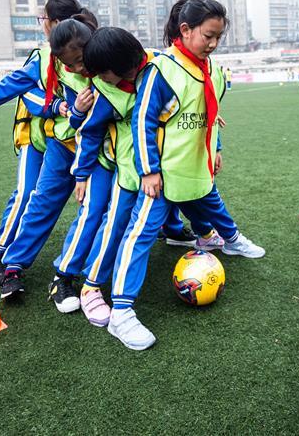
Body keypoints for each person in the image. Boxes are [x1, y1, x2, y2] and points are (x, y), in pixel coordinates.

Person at [108, 0, 266, 351]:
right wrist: (149, 171)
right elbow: (142, 120)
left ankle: (232, 241)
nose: (212, 43)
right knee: (141, 236)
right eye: (208, 35)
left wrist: (217, 147)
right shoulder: (161, 69)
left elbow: (210, 112)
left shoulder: (209, 67)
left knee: (213, 206)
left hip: (197, 166)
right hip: (164, 175)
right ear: (185, 30)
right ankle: (121, 312)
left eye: (218, 37)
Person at [65, 27, 216, 325]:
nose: (101, 78)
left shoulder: (156, 66)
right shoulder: (103, 92)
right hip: (131, 173)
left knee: (153, 223)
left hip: (166, 168)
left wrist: (216, 141)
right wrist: (81, 174)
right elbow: (89, 132)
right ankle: (91, 287)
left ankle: (206, 235)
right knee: (115, 227)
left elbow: (192, 108)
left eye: (105, 73)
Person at [0, 0, 95, 286]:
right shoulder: (43, 59)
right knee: (31, 195)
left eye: (44, 20)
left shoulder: (94, 50)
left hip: (87, 143)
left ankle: (164, 231)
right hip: (47, 139)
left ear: (58, 23)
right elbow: (18, 89)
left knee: (102, 204)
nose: (42, 25)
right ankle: (6, 256)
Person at [0, 16, 98, 300]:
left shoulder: (105, 58)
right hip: (62, 145)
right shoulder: (49, 63)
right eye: (71, 63)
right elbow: (16, 89)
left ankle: (67, 274)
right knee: (41, 204)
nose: (78, 68)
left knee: (93, 210)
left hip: (97, 153)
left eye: (81, 59)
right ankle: (13, 267)